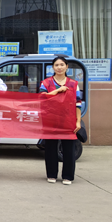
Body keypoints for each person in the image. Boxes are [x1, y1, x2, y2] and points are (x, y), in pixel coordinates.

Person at [39, 56, 82, 185]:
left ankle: (68, 176)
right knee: (50, 149)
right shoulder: (46, 83)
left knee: (69, 149)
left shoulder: (73, 84)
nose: (59, 67)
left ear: (67, 67)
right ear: (53, 67)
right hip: (50, 119)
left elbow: (78, 104)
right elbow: (42, 97)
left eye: (62, 65)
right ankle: (51, 174)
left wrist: (78, 121)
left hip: (68, 120)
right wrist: (58, 90)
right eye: (56, 65)